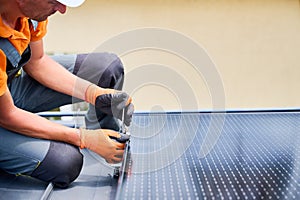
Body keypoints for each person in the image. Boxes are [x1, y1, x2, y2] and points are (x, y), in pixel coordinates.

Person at [0, 0, 134, 188]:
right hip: (4, 112)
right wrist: (82, 138)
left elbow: (37, 62)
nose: (62, 9)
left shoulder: (30, 13)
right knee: (64, 162)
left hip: (8, 87)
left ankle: (105, 139)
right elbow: (7, 115)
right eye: (54, 1)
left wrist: (94, 93)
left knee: (107, 69)